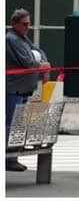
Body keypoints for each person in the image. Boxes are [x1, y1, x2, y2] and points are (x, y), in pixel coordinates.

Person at [6, 9, 50, 172]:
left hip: (22, 89)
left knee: (17, 124)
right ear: (15, 24)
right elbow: (28, 62)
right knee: (11, 123)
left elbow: (39, 52)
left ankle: (12, 156)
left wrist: (44, 64)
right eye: (24, 24)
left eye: (29, 24)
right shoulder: (11, 39)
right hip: (14, 89)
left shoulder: (22, 38)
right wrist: (43, 66)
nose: (27, 27)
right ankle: (10, 157)